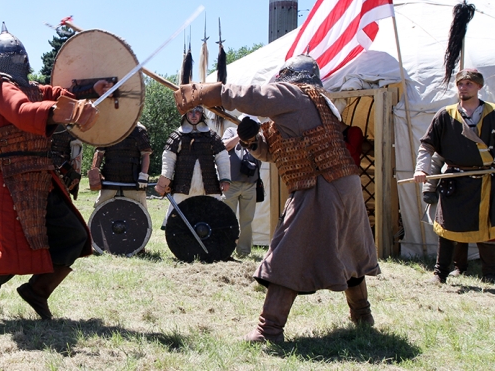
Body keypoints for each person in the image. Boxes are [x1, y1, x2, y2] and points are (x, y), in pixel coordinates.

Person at [173, 54, 380, 342]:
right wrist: (252, 141)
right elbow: (274, 152)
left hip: (320, 185)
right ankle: (362, 313)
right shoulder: (319, 104)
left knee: (287, 254)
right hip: (343, 184)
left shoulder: (295, 94)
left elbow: (257, 95)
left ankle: (268, 330)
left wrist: (211, 92)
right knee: (350, 250)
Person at [0, 23, 112, 321]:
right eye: (17, 58)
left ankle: (37, 291)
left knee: (74, 236)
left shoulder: (29, 87)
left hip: (42, 177)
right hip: (11, 181)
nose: (21, 62)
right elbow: (22, 112)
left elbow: (59, 93)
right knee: (13, 250)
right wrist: (63, 111)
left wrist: (93, 90)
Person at [413, 68, 495, 284]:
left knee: (488, 227)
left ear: (479, 87)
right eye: (460, 84)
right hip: (454, 180)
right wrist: (421, 170)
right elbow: (427, 146)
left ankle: (490, 274)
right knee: (447, 227)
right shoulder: (445, 115)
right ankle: (440, 273)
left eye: (469, 84)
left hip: (487, 180)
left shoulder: (493, 113)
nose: (463, 87)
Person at [154, 106, 231, 229]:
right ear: (186, 114)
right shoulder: (177, 136)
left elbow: (222, 157)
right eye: (190, 112)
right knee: (177, 215)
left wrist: (225, 179)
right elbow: (168, 159)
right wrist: (164, 182)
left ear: (202, 114)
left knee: (215, 215)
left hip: (209, 184)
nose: (194, 115)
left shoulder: (211, 136)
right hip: (183, 184)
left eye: (197, 112)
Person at [422, 153, 471, 277]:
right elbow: (436, 161)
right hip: (452, 187)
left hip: (481, 184)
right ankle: (447, 269)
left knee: (485, 227)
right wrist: (429, 187)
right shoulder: (449, 135)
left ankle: (489, 273)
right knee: (449, 226)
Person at [221, 115, 261, 257]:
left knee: (247, 221)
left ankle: (243, 251)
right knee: (228, 218)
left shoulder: (258, 136)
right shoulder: (231, 131)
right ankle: (226, 249)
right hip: (231, 184)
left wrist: (252, 134)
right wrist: (241, 134)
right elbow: (225, 146)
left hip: (250, 184)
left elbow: (262, 151)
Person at [89, 122, 152, 208]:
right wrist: (94, 172)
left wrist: (143, 175)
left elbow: (145, 154)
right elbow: (99, 153)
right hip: (110, 181)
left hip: (133, 183)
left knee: (140, 210)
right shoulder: (107, 129)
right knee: (100, 208)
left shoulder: (139, 130)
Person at [50, 125, 83, 200]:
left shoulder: (39, 124)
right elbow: (76, 157)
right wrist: (74, 178)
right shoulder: (72, 127)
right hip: (61, 172)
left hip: (42, 168)